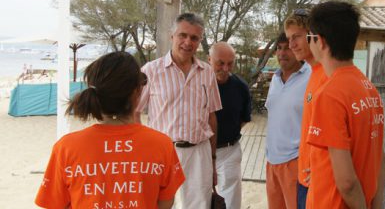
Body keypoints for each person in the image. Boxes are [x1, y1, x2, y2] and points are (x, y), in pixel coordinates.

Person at [35, 52, 185, 209]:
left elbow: (54, 204)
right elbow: (165, 203)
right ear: (137, 92)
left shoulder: (66, 147)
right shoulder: (162, 144)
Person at [135, 13, 222, 209]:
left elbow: (212, 116)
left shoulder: (207, 72)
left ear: (200, 41)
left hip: (200, 152)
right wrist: (142, 151)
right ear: (172, 36)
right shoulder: (150, 70)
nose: (187, 42)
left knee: (200, 204)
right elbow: (134, 112)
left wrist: (214, 159)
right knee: (160, 204)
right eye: (183, 35)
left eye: (194, 38)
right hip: (163, 151)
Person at [306, 1, 385, 209]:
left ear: (320, 42)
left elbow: (347, 183)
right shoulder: (369, 88)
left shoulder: (330, 95)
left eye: (309, 37)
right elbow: (380, 163)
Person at [284, 9, 328, 209]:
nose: (291, 44)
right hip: (305, 177)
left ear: (313, 35)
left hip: (317, 183)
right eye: (289, 38)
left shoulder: (328, 75)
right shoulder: (314, 73)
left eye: (296, 37)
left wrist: (323, 172)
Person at [265, 32, 311, 209]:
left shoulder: (311, 76)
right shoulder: (275, 79)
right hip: (272, 162)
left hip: (296, 162)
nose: (282, 53)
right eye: (279, 48)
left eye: (288, 48)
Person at [208, 42, 252, 209]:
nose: (226, 68)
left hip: (228, 150)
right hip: (201, 151)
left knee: (231, 200)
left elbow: (244, 118)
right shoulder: (198, 84)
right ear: (209, 59)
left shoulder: (240, 86)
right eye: (220, 63)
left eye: (230, 63)